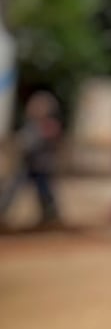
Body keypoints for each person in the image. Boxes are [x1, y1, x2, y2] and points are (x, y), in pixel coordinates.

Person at [0, 91, 63, 228]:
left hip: (41, 166)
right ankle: (2, 212)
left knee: (44, 192)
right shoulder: (33, 125)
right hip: (29, 165)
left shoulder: (49, 125)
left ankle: (50, 216)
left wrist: (19, 144)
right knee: (13, 189)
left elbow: (32, 142)